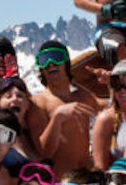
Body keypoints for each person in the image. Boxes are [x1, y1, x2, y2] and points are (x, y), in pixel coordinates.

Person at [26, 40, 99, 176]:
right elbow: (43, 152)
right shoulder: (38, 104)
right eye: (44, 60)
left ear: (66, 62)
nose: (50, 64)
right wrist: (57, 117)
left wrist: (110, 83)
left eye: (56, 57)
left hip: (87, 178)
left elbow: (112, 111)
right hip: (60, 183)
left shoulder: (83, 96)